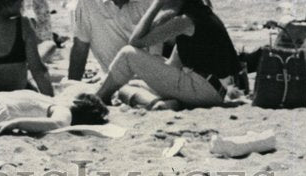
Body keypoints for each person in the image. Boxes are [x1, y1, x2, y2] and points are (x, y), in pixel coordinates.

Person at [96, 0, 240, 109]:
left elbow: (135, 41)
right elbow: (172, 65)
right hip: (214, 91)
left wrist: (156, 5)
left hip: (202, 89)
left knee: (127, 54)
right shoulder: (202, 14)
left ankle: (100, 98)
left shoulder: (185, 21)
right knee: (131, 84)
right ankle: (170, 103)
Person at [67, 0, 153, 81]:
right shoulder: (88, 3)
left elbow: (158, 54)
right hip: (113, 82)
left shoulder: (150, 3)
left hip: (151, 81)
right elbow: (80, 50)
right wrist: (72, 86)